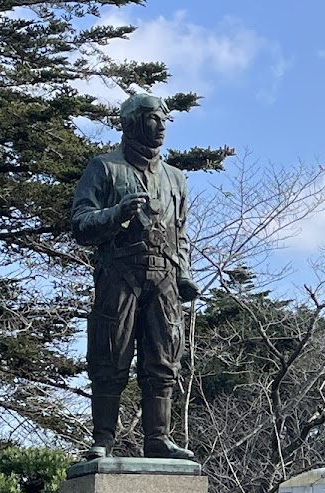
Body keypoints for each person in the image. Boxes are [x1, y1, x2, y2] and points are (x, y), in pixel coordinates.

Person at [71, 93, 199, 461]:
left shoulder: (175, 178)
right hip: (119, 274)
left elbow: (181, 232)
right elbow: (81, 224)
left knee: (164, 357)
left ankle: (158, 437)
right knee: (109, 355)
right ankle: (103, 439)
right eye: (151, 119)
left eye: (163, 120)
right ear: (131, 123)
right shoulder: (104, 168)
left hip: (164, 277)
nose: (160, 127)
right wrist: (116, 214)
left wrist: (183, 272)